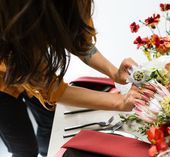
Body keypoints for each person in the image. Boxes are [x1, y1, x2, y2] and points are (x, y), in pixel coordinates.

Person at [0, 0, 155, 157]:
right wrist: (120, 102)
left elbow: (79, 40)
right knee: (24, 148)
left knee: (50, 122)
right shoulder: (16, 18)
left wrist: (114, 74)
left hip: (27, 66)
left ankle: (49, 152)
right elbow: (53, 90)